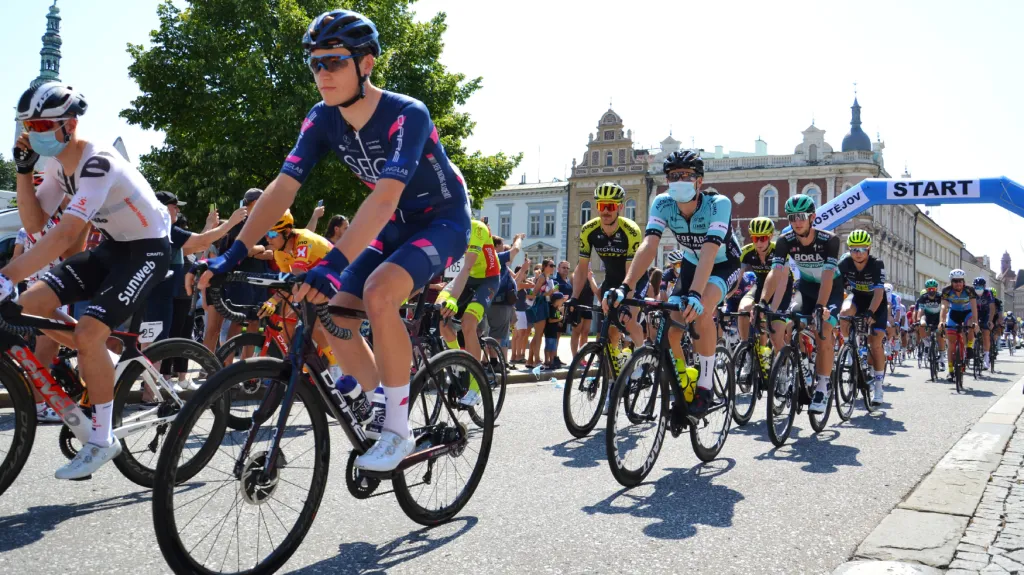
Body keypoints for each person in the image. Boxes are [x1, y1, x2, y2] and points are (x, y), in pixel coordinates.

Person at [197, 9, 471, 472]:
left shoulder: (407, 114)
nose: (322, 73)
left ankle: (398, 430)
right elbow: (281, 190)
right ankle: (379, 398)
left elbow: (384, 197)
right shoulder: (322, 119)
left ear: (366, 64)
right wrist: (234, 254)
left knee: (379, 292)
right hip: (394, 223)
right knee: (336, 312)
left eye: (335, 61)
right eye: (315, 63)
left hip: (441, 220)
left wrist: (333, 262)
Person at [8, 81, 172, 479]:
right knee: (27, 305)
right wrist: (24, 171)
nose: (34, 133)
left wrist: (6, 275)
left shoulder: (98, 161)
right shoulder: (55, 167)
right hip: (114, 248)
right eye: (29, 126)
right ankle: (98, 350)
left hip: (148, 249)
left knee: (86, 332)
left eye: (43, 126)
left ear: (70, 124)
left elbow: (65, 234)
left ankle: (101, 439)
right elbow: (35, 224)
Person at [614, 150, 741, 420]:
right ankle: (683, 381)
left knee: (701, 309)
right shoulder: (663, 203)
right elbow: (649, 246)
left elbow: (709, 251)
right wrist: (625, 286)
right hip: (692, 264)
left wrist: (695, 294)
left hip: (723, 264)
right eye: (673, 176)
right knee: (670, 327)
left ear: (699, 181)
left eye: (685, 175)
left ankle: (705, 386)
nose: (678, 180)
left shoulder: (718, 204)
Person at [761, 193, 842, 414]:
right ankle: (800, 368)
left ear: (812, 217)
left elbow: (827, 276)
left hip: (830, 289)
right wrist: (763, 301)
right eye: (792, 217)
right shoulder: (785, 240)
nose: (797, 222)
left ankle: (823, 386)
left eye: (801, 216)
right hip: (806, 288)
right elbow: (776, 272)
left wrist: (821, 306)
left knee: (823, 330)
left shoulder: (829, 240)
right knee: (789, 325)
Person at [569, 182, 646, 382]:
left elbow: (630, 272)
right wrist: (574, 298)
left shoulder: (631, 230)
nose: (605, 211)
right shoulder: (589, 229)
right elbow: (582, 268)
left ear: (620, 207)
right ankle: (613, 378)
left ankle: (642, 359)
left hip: (635, 277)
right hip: (611, 278)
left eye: (610, 206)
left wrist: (626, 302)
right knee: (610, 330)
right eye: (602, 206)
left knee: (629, 320)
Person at [836, 230, 888, 405]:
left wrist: (871, 312)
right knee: (844, 314)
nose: (858, 253)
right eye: (854, 249)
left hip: (876, 303)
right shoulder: (845, 263)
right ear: (849, 250)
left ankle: (878, 387)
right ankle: (850, 349)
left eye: (862, 249)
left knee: (875, 343)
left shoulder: (876, 264)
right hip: (857, 299)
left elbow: (879, 293)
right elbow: (836, 288)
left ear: (869, 249)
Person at [737, 217, 791, 368]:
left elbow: (782, 283)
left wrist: (771, 310)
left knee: (775, 337)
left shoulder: (779, 251)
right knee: (743, 309)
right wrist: (723, 299)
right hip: (760, 287)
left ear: (770, 236)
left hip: (782, 289)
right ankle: (747, 350)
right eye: (755, 238)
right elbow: (736, 280)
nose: (759, 243)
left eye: (763, 238)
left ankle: (784, 370)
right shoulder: (746, 252)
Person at [486, 235, 523, 361]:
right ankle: (494, 362)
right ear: (496, 246)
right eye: (502, 245)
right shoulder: (496, 257)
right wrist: (518, 239)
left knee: (494, 333)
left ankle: (492, 361)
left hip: (494, 301)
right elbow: (515, 250)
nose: (504, 247)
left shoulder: (488, 258)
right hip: (499, 302)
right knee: (497, 334)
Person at [940, 269, 979, 379]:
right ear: (951, 282)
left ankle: (970, 347)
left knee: (971, 324)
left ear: (963, 281)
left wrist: (976, 322)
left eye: (960, 281)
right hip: (954, 314)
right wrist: (941, 321)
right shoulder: (947, 291)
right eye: (955, 281)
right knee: (951, 344)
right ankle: (950, 370)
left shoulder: (969, 290)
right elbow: (943, 307)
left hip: (967, 313)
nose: (958, 283)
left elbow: (974, 307)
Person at [526, 259, 557, 368]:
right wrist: (549, 292)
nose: (553, 267)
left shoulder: (546, 277)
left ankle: (530, 360)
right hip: (539, 306)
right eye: (551, 265)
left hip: (542, 305)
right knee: (538, 335)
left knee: (537, 335)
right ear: (544, 266)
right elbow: (534, 293)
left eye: (554, 265)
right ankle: (537, 360)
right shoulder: (542, 277)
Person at [916, 279, 945, 362]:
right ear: (926, 289)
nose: (931, 291)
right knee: (921, 324)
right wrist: (918, 319)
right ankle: (926, 343)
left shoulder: (940, 296)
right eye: (929, 289)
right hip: (927, 317)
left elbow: (944, 308)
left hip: (938, 317)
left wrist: (943, 320)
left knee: (940, 335)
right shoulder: (923, 297)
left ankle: (941, 356)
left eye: (933, 289)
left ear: (936, 289)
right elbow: (920, 310)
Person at [973, 277, 996, 370]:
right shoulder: (972, 293)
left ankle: (986, 358)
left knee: (986, 333)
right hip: (976, 313)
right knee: (970, 329)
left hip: (986, 313)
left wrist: (990, 320)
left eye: (980, 287)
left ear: (984, 287)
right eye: (976, 287)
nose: (978, 289)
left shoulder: (988, 293)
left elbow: (992, 308)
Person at [543, 293, 565, 369]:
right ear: (557, 300)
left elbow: (558, 318)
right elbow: (550, 320)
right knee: (548, 347)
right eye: (562, 299)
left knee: (553, 348)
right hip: (549, 331)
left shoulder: (557, 309)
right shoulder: (551, 308)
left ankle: (552, 362)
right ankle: (546, 361)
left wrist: (559, 322)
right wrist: (559, 319)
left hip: (554, 332)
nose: (563, 301)